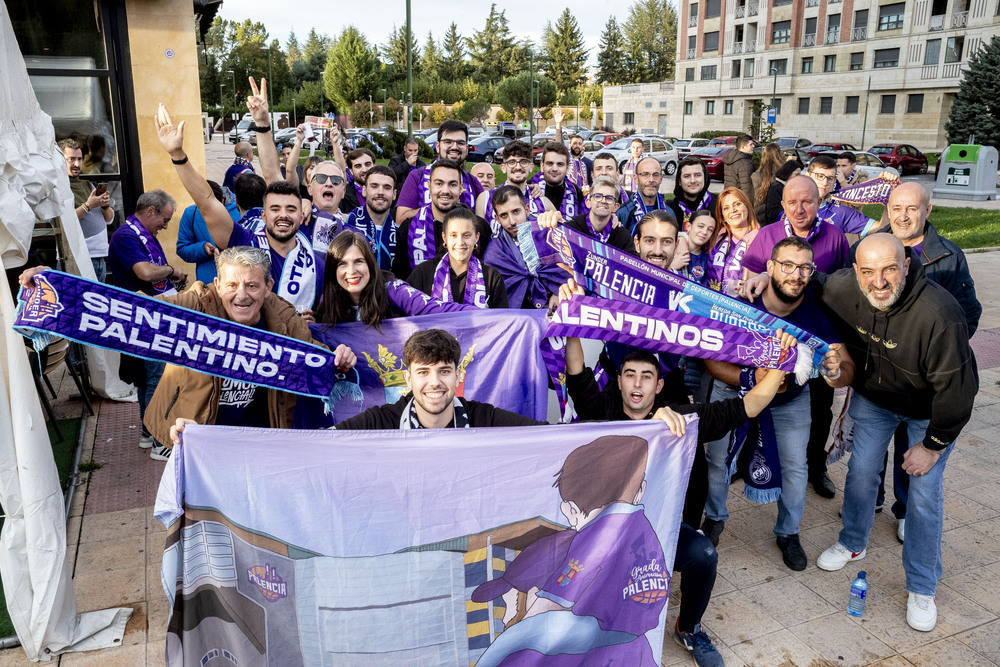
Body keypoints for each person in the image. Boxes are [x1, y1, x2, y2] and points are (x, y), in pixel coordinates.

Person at [562, 280, 791, 666]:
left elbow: (746, 407)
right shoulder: (601, 410)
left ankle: (689, 628)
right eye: (630, 375)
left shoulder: (679, 421)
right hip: (603, 529)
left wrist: (780, 362)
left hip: (657, 528)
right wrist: (570, 318)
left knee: (703, 554)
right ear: (619, 381)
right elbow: (577, 373)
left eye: (646, 377)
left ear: (659, 385)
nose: (637, 384)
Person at [813, 234, 977, 632]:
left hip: (931, 411)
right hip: (876, 400)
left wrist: (933, 446)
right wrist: (765, 280)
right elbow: (810, 283)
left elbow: (958, 394)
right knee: (862, 470)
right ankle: (853, 541)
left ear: (906, 265)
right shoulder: (841, 288)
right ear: (855, 272)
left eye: (889, 269)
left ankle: (922, 586)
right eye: (868, 271)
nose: (879, 282)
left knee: (922, 494)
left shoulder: (939, 314)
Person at [94, 246, 354, 454]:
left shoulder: (284, 315)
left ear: (268, 287)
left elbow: (312, 352)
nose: (241, 295)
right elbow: (145, 310)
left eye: (252, 285)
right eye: (232, 285)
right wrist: (62, 293)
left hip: (260, 439)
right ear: (217, 285)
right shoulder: (198, 303)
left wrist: (338, 358)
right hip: (199, 431)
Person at [701, 237, 853, 570]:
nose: (795, 274)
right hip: (735, 392)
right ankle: (714, 517)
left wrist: (834, 369)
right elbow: (711, 362)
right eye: (787, 265)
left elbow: (844, 366)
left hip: (789, 401)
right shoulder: (741, 302)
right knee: (717, 459)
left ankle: (788, 532)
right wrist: (750, 381)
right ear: (769, 267)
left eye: (804, 267)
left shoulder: (815, 308)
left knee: (796, 468)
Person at [868, 182, 981, 539]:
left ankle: (904, 509)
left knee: (910, 448)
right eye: (897, 208)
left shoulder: (947, 256)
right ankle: (869, 500)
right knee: (868, 450)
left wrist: (939, 353)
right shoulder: (869, 247)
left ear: (927, 211)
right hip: (877, 375)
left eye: (912, 209)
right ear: (888, 208)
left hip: (922, 382)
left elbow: (968, 313)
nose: (903, 216)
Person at [156, 100, 324, 316]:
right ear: (263, 214)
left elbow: (330, 313)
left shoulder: (315, 263)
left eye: (291, 209)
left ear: (302, 215)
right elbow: (207, 202)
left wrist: (316, 321)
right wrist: (178, 155)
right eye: (275, 209)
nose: (283, 215)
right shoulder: (246, 243)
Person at [742, 175, 850, 499]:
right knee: (758, 402)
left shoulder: (835, 236)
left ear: (819, 202)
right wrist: (763, 274)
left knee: (819, 411)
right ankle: (749, 461)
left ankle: (816, 467)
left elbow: (844, 284)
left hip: (818, 337)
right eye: (792, 202)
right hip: (774, 341)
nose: (800, 209)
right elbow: (750, 285)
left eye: (807, 201)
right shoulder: (767, 235)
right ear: (783, 204)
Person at [106, 189, 187, 461]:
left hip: (150, 313)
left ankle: (146, 432)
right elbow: (145, 271)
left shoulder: (144, 234)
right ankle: (157, 439)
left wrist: (170, 280)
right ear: (150, 211)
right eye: (164, 219)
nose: (165, 225)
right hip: (141, 317)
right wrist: (171, 271)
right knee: (157, 378)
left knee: (148, 378)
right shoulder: (126, 236)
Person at [333, 329, 544, 429]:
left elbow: (552, 436)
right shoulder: (381, 421)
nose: (434, 382)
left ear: (458, 376)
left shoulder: (484, 419)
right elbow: (320, 442)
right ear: (408, 379)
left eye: (444, 371)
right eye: (423, 372)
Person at [392, 159, 491, 277]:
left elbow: (488, 273)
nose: (445, 191)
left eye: (452, 184)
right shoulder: (409, 228)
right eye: (439, 184)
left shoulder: (479, 227)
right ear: (429, 186)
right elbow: (400, 277)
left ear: (460, 188)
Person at [482, 185, 564, 309]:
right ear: (497, 219)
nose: (512, 221)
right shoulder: (494, 252)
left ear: (527, 209)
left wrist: (557, 292)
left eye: (516, 212)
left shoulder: (548, 232)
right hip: (518, 314)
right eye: (504, 215)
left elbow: (569, 269)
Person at [407, 208, 508, 308]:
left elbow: (501, 320)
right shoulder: (424, 273)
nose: (460, 242)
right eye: (453, 235)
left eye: (466, 235)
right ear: (445, 238)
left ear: (476, 238)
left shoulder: (492, 277)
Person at [395, 120, 484, 224]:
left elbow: (484, 222)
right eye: (448, 142)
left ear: (466, 148)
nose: (454, 147)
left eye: (460, 143)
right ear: (438, 146)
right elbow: (400, 220)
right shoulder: (417, 176)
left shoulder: (473, 182)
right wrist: (441, 207)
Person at [535, 176, 637, 255]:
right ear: (588, 202)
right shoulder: (572, 229)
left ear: (616, 206)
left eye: (609, 198)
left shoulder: (623, 236)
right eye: (598, 196)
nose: (603, 201)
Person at [59, 138, 114, 281]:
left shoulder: (88, 185)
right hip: (77, 258)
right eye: (71, 159)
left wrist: (105, 205)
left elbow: (109, 219)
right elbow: (65, 221)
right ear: (59, 160)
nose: (76, 164)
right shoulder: (59, 187)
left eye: (79, 159)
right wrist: (88, 205)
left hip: (100, 257)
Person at [799, 155, 882, 239]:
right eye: (820, 176)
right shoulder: (790, 207)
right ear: (807, 175)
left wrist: (888, 198)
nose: (825, 182)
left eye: (830, 178)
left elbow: (882, 229)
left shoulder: (841, 212)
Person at [175, 179, 241, 284]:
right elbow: (182, 249)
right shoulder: (190, 213)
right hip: (208, 285)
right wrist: (202, 249)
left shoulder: (240, 210)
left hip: (238, 283)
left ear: (223, 198)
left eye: (214, 209)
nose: (210, 214)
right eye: (205, 210)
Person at [475, 140, 550, 231]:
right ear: (503, 168)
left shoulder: (543, 202)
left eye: (523, 162)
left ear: (531, 167)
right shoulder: (485, 199)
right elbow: (478, 237)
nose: (518, 167)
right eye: (512, 162)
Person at [706, 187, 760, 296]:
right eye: (726, 208)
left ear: (747, 207)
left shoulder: (762, 239)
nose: (733, 210)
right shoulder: (716, 239)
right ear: (723, 217)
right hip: (711, 305)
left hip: (744, 305)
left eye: (737, 204)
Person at [343, 165, 398, 271]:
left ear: (394, 194)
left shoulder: (399, 233)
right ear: (364, 190)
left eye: (387, 188)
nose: (380, 192)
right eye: (374, 186)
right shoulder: (346, 223)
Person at [531, 141, 587, 221]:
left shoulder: (576, 192)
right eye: (550, 163)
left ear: (567, 168)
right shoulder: (530, 188)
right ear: (542, 166)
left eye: (560, 164)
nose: (554, 169)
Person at [616, 156, 665, 234]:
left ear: (661, 179)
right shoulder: (623, 213)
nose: (651, 180)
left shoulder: (669, 212)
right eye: (645, 174)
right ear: (635, 179)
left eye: (655, 175)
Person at [668, 157, 716, 232]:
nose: (693, 181)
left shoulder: (719, 204)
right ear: (679, 181)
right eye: (687, 176)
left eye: (697, 175)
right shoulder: (669, 209)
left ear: (705, 178)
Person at [672, 209, 716, 285]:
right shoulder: (673, 247)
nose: (704, 232)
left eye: (710, 230)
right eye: (700, 226)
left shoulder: (706, 260)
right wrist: (672, 267)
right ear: (688, 226)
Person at [763, 159, 802, 225]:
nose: (799, 177)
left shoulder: (790, 187)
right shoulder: (776, 188)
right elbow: (771, 213)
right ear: (788, 173)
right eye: (796, 174)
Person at [751, 143, 784, 221]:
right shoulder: (783, 172)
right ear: (779, 154)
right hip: (779, 215)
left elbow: (755, 197)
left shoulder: (757, 174)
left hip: (760, 215)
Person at [341, 148, 376, 212]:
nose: (364, 170)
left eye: (368, 164)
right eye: (358, 166)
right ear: (351, 171)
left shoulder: (388, 191)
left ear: (374, 165)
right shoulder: (343, 197)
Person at [722, 134, 755, 201]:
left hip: (728, 197)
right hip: (739, 200)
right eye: (751, 144)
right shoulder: (745, 163)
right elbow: (747, 188)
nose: (753, 146)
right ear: (743, 147)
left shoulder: (731, 158)